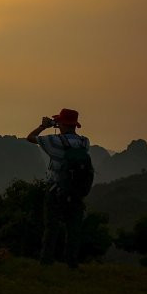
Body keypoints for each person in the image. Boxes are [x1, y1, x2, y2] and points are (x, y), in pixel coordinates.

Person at [26, 108, 91, 268]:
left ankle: (46, 261)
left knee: (52, 227)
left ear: (61, 123)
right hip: (76, 191)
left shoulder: (54, 141)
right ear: (75, 125)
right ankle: (72, 262)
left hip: (56, 190)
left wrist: (44, 126)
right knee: (73, 228)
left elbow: (30, 138)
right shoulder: (84, 142)